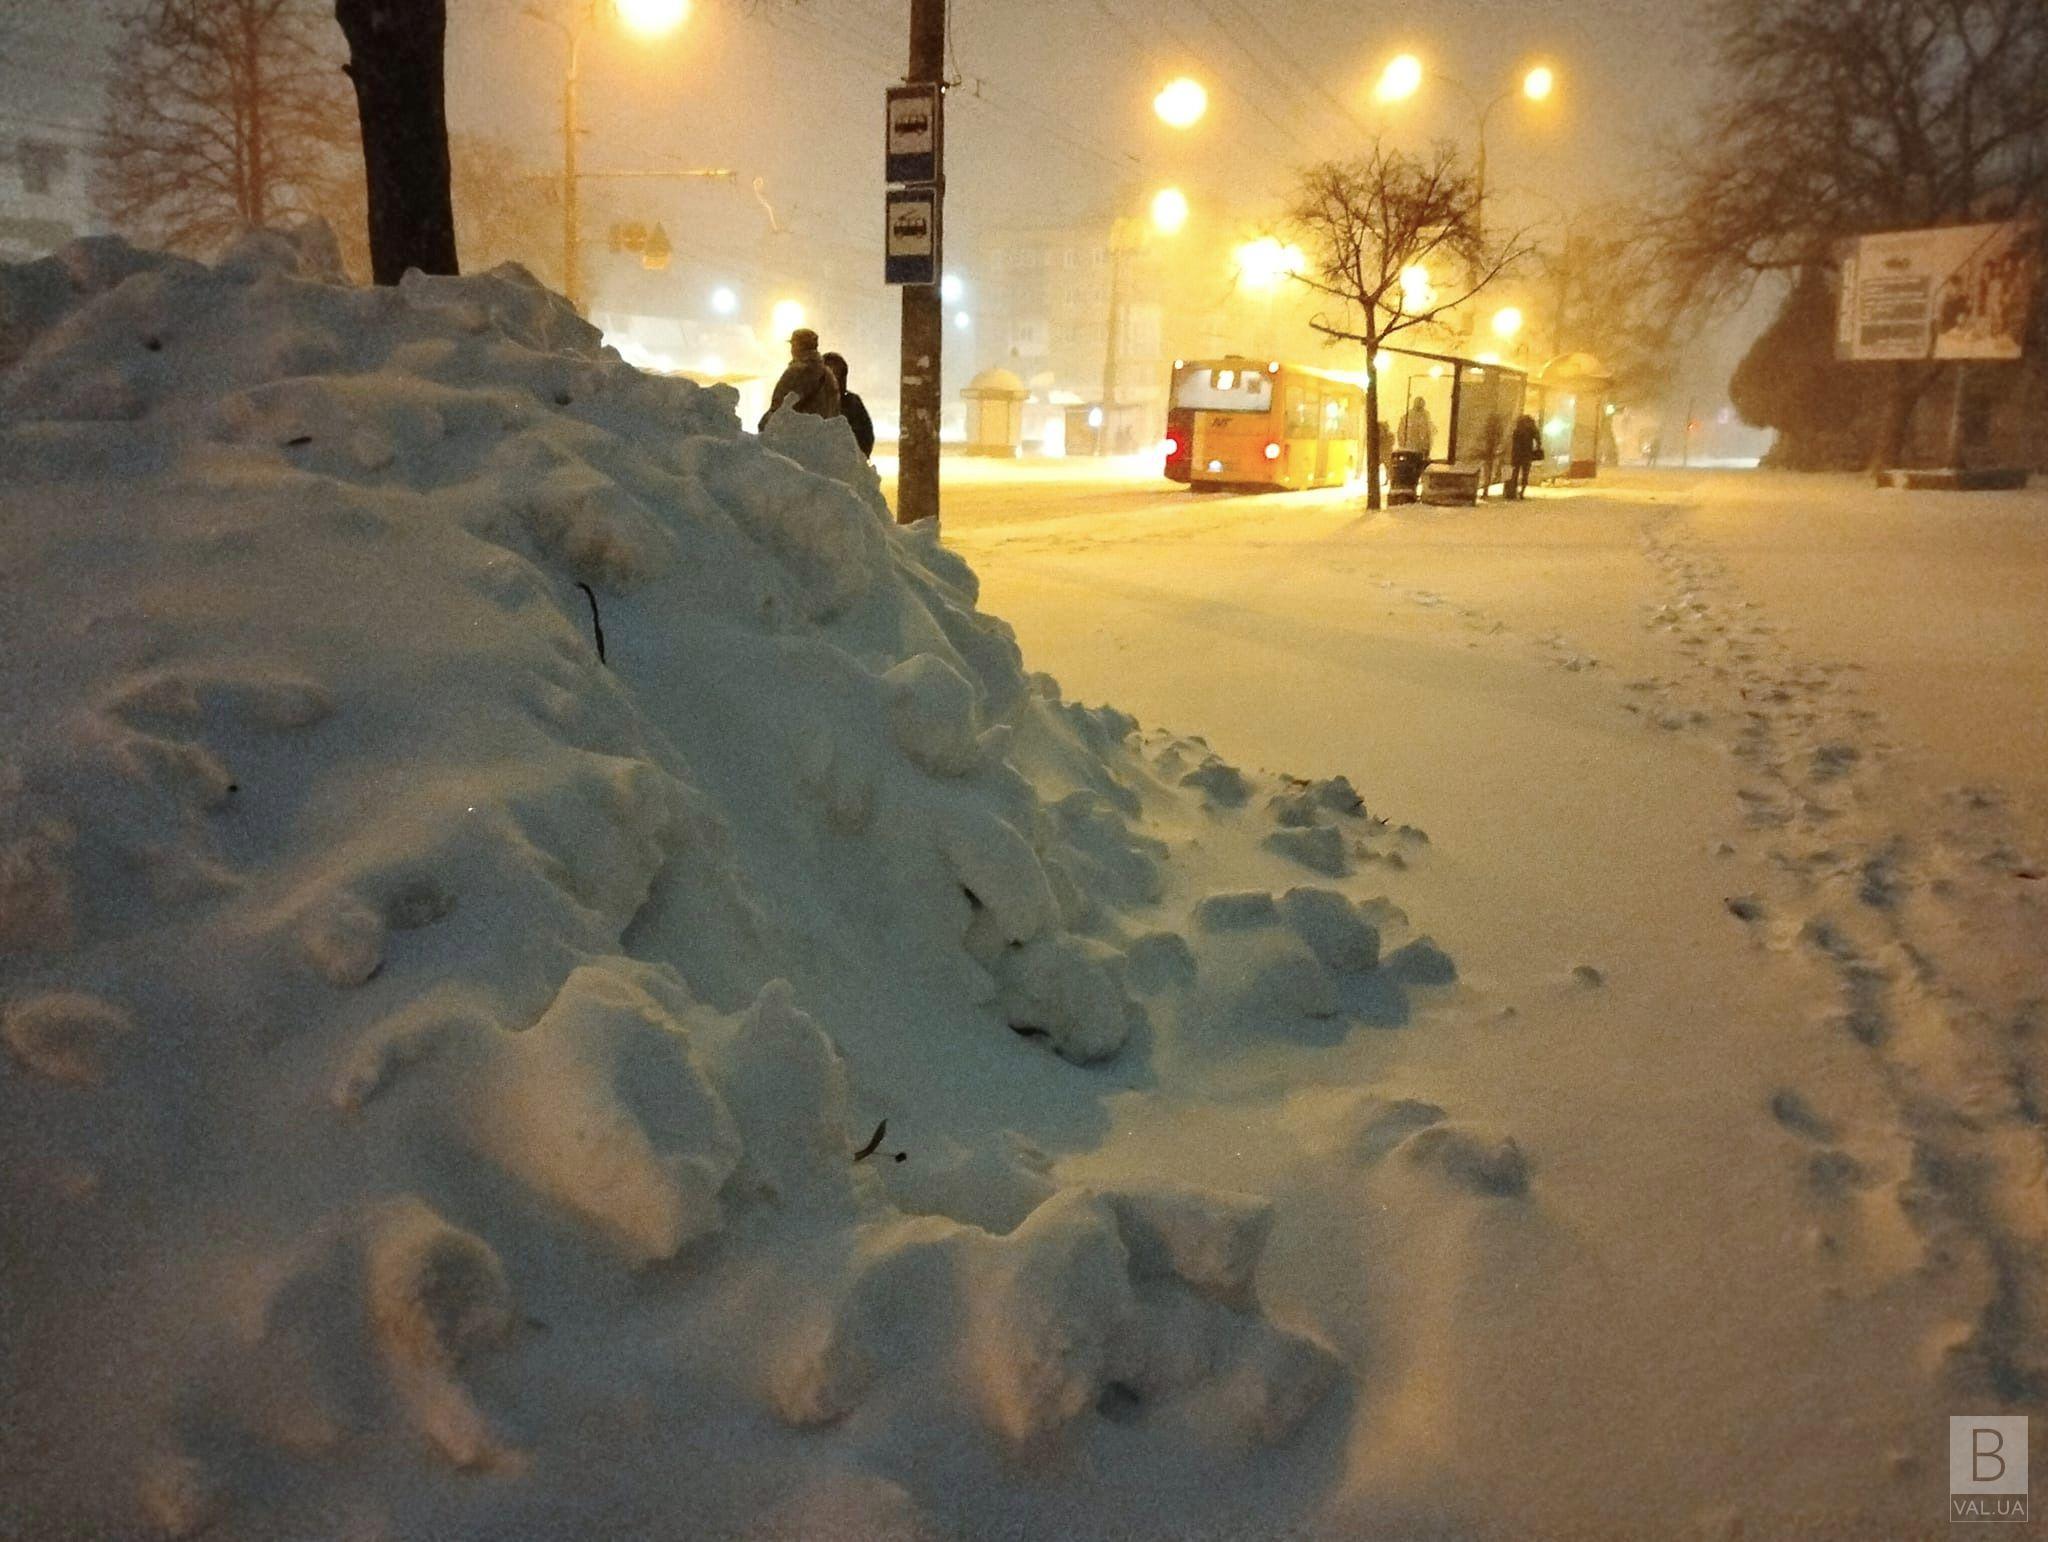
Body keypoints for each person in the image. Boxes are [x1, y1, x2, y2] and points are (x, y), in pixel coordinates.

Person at [757, 328, 841, 429]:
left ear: (798, 346)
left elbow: (777, 408)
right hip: (822, 440)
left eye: (793, 345)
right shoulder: (829, 376)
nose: (791, 349)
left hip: (795, 439)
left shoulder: (795, 372)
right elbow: (834, 413)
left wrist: (764, 425)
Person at [821, 351, 874, 459]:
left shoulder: (853, 403)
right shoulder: (809, 401)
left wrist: (854, 460)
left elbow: (866, 437)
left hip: (845, 465)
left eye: (835, 373)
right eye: (828, 372)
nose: (832, 377)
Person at [1508, 413, 1542, 499]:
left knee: (1515, 473)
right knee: (1525, 474)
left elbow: (1512, 440)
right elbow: (1538, 439)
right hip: (1527, 453)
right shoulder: (1531, 428)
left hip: (1516, 453)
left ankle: (1513, 492)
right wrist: (1538, 447)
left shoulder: (1517, 428)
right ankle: (1522, 492)